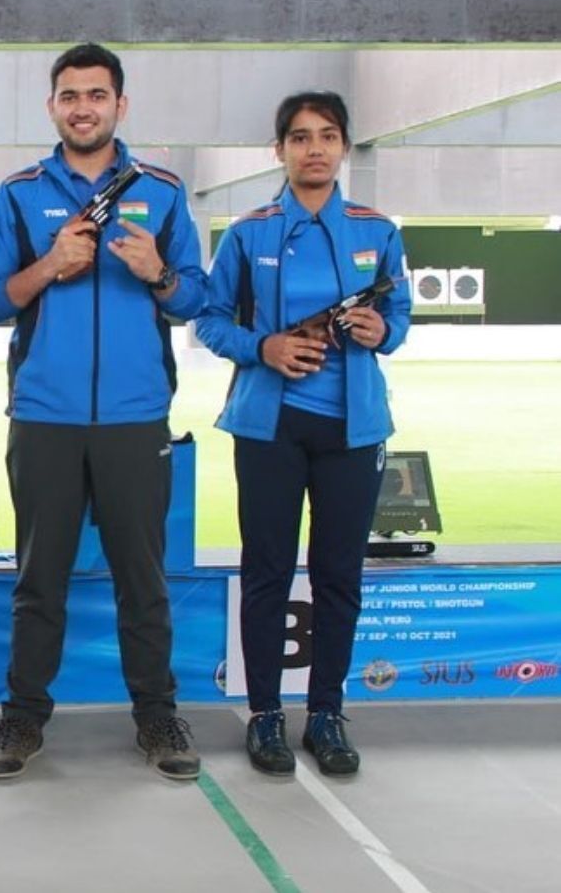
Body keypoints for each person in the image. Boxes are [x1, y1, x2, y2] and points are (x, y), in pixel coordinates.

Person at [0, 43, 207, 781]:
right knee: (39, 578)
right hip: (45, 416)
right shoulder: (17, 195)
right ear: (52, 108)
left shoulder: (164, 193)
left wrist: (155, 272)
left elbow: (196, 298)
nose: (83, 107)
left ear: (120, 106)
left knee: (145, 578)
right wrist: (49, 266)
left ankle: (157, 715)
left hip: (136, 417)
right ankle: (22, 717)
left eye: (96, 94)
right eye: (69, 95)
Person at [195, 91, 410, 777]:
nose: (313, 148)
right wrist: (266, 349)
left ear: (344, 146)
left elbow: (399, 315)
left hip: (353, 429)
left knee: (338, 575)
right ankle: (264, 716)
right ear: (279, 150)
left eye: (326, 136)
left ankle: (326, 713)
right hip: (269, 426)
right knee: (265, 572)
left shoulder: (378, 230)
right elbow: (208, 320)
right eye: (299, 137)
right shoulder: (250, 232)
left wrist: (385, 331)